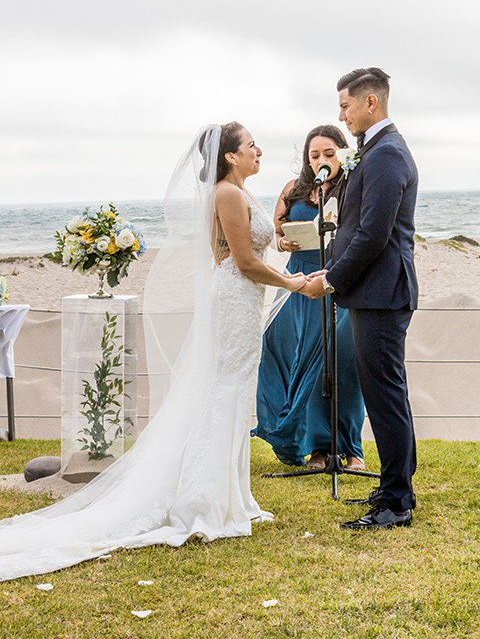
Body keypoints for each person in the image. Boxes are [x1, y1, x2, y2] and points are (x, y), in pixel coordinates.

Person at [0, 122, 307, 581]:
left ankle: (232, 496)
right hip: (235, 298)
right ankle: (206, 500)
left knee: (235, 389)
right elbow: (240, 261)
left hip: (242, 299)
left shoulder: (239, 191)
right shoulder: (226, 193)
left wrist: (280, 245)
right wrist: (293, 282)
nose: (258, 150)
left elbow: (240, 247)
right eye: (250, 146)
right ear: (229, 156)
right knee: (224, 389)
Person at [302, 68, 418, 529]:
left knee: (385, 395)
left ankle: (396, 502)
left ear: (371, 103)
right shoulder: (375, 151)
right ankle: (396, 485)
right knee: (386, 392)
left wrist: (330, 280)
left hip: (383, 293)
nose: (341, 115)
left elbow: (373, 235)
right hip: (375, 292)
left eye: (346, 106)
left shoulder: (387, 153)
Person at [253, 125, 365, 470]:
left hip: (337, 280)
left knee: (339, 364)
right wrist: (283, 242)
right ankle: (314, 447)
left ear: (342, 153)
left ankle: (351, 448)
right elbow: (276, 233)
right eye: (314, 155)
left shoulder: (352, 186)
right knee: (287, 357)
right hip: (297, 280)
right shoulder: (294, 189)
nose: (321, 161)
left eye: (329, 154)